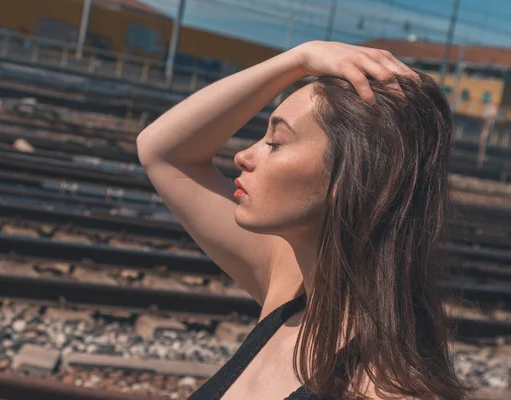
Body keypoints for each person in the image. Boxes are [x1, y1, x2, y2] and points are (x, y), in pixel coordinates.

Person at [136, 41, 476, 399]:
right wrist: (297, 59)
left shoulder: (383, 389)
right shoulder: (292, 288)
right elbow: (162, 152)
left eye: (276, 142)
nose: (243, 155)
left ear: (348, 177)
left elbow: (166, 156)